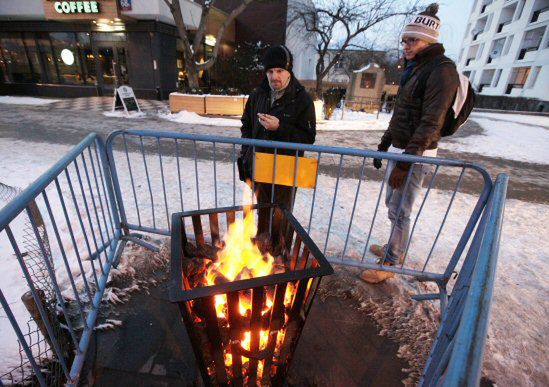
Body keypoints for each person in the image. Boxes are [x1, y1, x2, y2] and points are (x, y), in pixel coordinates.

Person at [361, 3, 460, 283]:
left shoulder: (441, 71)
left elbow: (431, 122)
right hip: (400, 150)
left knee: (401, 208)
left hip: (416, 155)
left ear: (430, 40)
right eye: (404, 39)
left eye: (412, 40)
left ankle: (391, 261)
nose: (406, 45)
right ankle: (395, 246)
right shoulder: (415, 67)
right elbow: (401, 113)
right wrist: (384, 144)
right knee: (392, 204)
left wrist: (407, 161)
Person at [239, 45, 316, 247]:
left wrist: (279, 127)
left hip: (285, 166)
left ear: (289, 71)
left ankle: (280, 250)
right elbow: (246, 124)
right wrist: (246, 152)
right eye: (270, 71)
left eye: (280, 71)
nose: (275, 76)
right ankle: (263, 249)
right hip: (260, 162)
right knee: (263, 208)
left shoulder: (302, 99)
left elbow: (308, 137)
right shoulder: (258, 95)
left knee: (282, 211)